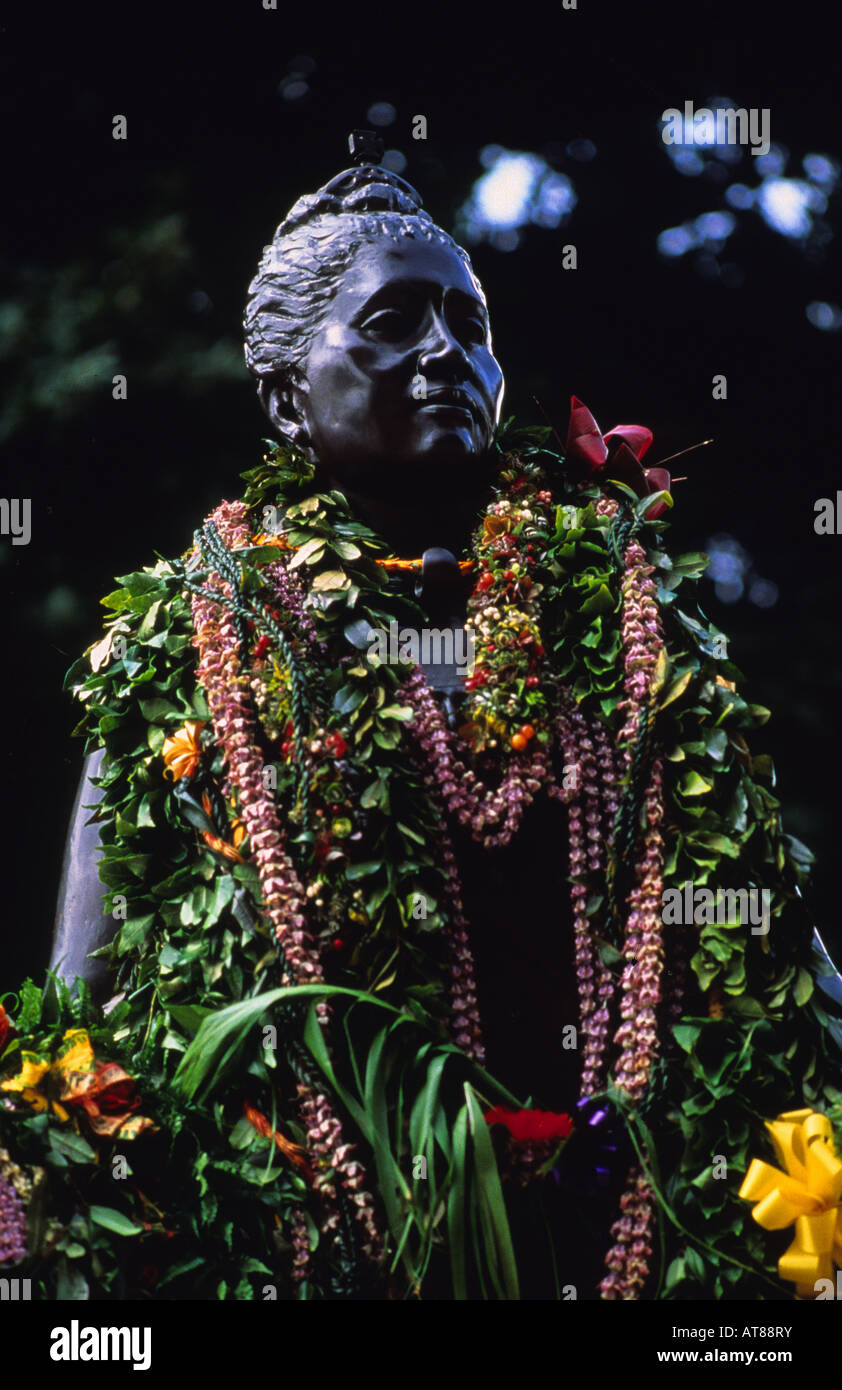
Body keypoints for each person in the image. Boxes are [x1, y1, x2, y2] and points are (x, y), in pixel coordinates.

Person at [4, 141, 841, 1302]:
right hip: (313, 1257)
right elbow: (81, 1025)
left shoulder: (629, 618)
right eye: (392, 320)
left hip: (629, 1245)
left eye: (468, 321)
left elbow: (778, 958)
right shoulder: (179, 662)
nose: (447, 349)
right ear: (287, 393)